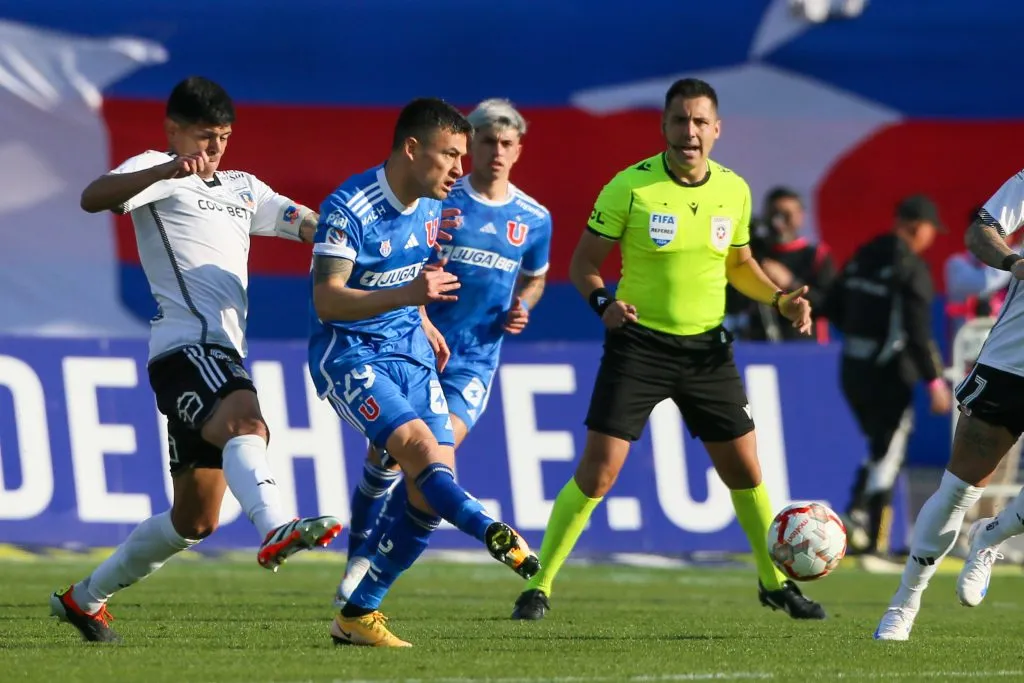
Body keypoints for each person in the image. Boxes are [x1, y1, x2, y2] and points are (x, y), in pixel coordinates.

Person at [510, 77, 825, 622]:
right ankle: (538, 585)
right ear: (663, 127)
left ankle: (773, 583)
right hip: (639, 347)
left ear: (717, 130)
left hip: (707, 351)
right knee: (600, 471)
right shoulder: (630, 188)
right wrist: (604, 303)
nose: (690, 132)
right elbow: (582, 265)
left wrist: (780, 301)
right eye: (680, 120)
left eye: (701, 122)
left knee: (746, 470)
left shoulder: (734, 189)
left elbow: (739, 265)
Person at [49, 76, 343, 643]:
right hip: (187, 348)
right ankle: (277, 525)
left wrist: (356, 237)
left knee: (196, 519)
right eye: (203, 139)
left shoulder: (242, 187)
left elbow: (307, 223)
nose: (212, 151)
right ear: (174, 131)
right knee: (247, 422)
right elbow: (93, 198)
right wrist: (164, 171)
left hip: (219, 352)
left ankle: (84, 599)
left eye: (223, 138)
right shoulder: (156, 169)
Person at [309, 97, 539, 647]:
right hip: (352, 353)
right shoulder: (349, 207)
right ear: (413, 149)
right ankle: (489, 528)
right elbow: (327, 301)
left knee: (426, 489)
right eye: (451, 155)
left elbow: (413, 274)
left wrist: (421, 317)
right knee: (414, 448)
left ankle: (358, 615)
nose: (461, 169)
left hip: (411, 348)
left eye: (464, 156)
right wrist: (410, 294)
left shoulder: (436, 206)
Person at [874, 171, 1024, 640]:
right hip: (1013, 360)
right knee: (961, 487)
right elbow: (981, 229)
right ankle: (906, 602)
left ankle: (989, 537)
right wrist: (1013, 262)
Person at [824, 195, 952, 559]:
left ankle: (857, 521)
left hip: (852, 366)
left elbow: (832, 305)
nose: (931, 237)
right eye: (930, 229)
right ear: (916, 226)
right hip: (890, 372)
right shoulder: (910, 266)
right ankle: (870, 533)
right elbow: (918, 330)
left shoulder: (864, 255)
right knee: (889, 449)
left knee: (875, 446)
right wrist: (935, 382)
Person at [726, 186, 836, 342]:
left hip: (807, 347)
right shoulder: (753, 253)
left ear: (800, 216)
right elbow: (732, 304)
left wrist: (790, 282)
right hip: (758, 345)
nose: (778, 221)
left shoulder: (817, 255)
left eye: (787, 214)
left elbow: (831, 306)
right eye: (774, 214)